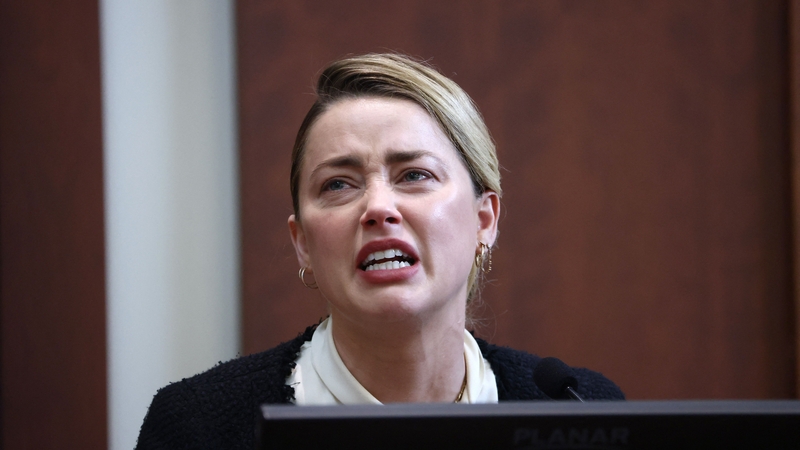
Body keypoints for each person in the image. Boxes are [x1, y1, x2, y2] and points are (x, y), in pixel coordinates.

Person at [135, 53, 624, 449]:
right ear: (303, 243)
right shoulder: (197, 426)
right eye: (338, 185)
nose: (377, 208)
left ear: (484, 219)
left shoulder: (584, 412)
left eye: (414, 175)